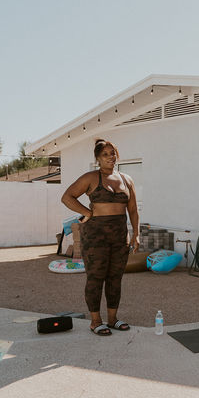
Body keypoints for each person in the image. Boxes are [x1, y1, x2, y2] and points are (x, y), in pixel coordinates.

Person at [61, 139, 140, 336]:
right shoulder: (90, 178)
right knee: (96, 278)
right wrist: (87, 212)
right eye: (105, 154)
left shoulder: (126, 179)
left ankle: (112, 319)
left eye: (112, 153)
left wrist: (136, 234)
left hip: (119, 235)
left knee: (115, 279)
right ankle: (95, 321)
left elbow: (133, 210)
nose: (110, 157)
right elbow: (67, 197)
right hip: (95, 235)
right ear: (98, 158)